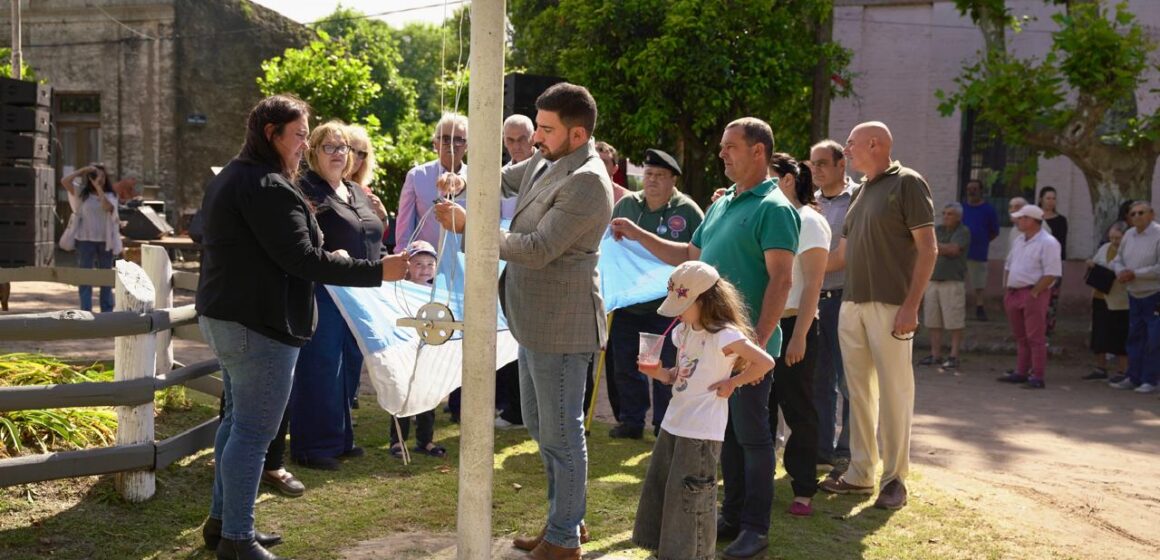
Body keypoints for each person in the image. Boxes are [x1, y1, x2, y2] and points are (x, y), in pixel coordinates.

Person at [195, 94, 408, 560]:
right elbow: (299, 259)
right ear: (272, 135)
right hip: (258, 324)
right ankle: (237, 538)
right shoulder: (268, 185)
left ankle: (224, 525)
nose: (302, 145)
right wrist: (377, 270)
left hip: (231, 317)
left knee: (237, 424)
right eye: (297, 136)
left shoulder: (235, 176)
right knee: (252, 431)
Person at [434, 82, 612, 559]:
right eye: (537, 128)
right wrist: (464, 180)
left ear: (578, 134)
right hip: (534, 320)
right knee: (543, 427)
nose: (536, 138)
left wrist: (470, 225)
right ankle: (565, 522)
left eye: (547, 130)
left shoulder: (589, 181)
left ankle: (564, 539)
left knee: (561, 432)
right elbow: (507, 179)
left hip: (563, 325)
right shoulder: (550, 157)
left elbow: (538, 250)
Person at [611, 117, 797, 560]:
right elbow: (689, 256)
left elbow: (782, 280)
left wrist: (754, 343)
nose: (722, 153)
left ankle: (755, 527)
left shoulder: (775, 207)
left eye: (731, 146)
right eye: (722, 147)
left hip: (742, 349)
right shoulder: (722, 203)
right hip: (712, 345)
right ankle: (731, 516)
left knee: (753, 440)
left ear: (759, 152)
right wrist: (637, 234)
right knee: (725, 439)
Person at [818, 122, 936, 512]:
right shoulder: (863, 190)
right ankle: (860, 471)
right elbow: (840, 258)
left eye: (850, 144)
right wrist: (795, 271)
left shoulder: (908, 183)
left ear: (874, 144)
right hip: (851, 304)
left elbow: (928, 249)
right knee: (857, 393)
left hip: (891, 305)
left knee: (895, 393)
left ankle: (895, 479)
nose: (846, 150)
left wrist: (911, 305)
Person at [632, 261, 775, 560]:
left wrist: (733, 382)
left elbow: (765, 362)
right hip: (674, 424)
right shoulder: (683, 332)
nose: (677, 313)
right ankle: (667, 550)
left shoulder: (724, 336)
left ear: (704, 300)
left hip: (700, 433)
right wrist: (659, 373)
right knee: (666, 492)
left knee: (690, 499)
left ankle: (694, 554)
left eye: (682, 305)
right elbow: (679, 375)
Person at [286, 120, 387, 471]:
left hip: (360, 294)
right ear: (313, 152)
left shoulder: (355, 191)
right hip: (324, 291)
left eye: (343, 148)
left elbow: (373, 232)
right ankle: (311, 447)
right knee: (321, 365)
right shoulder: (305, 189)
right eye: (329, 147)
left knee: (348, 367)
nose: (338, 153)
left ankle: (340, 440)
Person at [606, 148, 703, 440]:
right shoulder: (626, 206)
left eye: (660, 175)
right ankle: (631, 421)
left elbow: (698, 257)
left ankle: (664, 424)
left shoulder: (687, 211)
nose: (652, 181)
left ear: (673, 180)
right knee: (625, 365)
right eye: (648, 174)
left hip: (670, 306)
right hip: (628, 302)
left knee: (667, 367)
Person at [767, 153, 829, 517]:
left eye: (770, 177)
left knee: (798, 407)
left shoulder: (809, 220)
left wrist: (800, 335)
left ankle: (803, 487)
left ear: (788, 179)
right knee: (762, 405)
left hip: (795, 324)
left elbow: (813, 285)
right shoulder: (773, 216)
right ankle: (756, 478)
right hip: (767, 322)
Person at [807, 139, 856, 480]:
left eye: (823, 163)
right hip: (814, 300)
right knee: (817, 380)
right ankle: (822, 449)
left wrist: (801, 267)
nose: (817, 170)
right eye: (813, 164)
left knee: (849, 380)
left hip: (844, 299)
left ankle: (848, 451)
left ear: (842, 164)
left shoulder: (858, 200)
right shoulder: (810, 203)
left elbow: (842, 258)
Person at [388, 240, 448, 458]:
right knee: (401, 394)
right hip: (405, 350)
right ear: (407, 266)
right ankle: (398, 441)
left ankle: (425, 440)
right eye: (418, 264)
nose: (424, 269)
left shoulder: (437, 293)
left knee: (427, 395)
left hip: (429, 351)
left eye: (429, 264)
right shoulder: (399, 290)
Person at [996, 204, 1061, 389]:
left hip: (1034, 292)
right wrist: (1008, 289)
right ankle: (1021, 371)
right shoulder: (1019, 240)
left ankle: (1038, 375)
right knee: (1021, 336)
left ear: (1033, 220)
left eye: (1023, 218)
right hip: (1015, 292)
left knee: (1035, 336)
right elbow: (1009, 264)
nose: (1018, 221)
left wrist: (1035, 292)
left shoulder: (1048, 242)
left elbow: (1052, 273)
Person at [396, 113, 468, 250]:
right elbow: (404, 231)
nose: (452, 145)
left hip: (466, 263)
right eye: (446, 139)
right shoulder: (417, 176)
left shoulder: (476, 179)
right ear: (435, 144)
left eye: (459, 140)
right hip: (427, 266)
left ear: (467, 145)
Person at [1110, 201, 1160, 393]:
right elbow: (1118, 259)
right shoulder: (1129, 234)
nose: (1137, 216)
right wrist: (1121, 272)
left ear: (1151, 214)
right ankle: (1133, 376)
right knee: (1134, 336)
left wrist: (1135, 274)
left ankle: (1151, 379)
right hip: (1134, 294)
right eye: (1133, 214)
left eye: (1141, 212)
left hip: (1155, 294)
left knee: (1154, 339)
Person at [60, 163, 122, 312]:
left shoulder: (111, 195)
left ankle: (106, 312)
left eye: (101, 175)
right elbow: (64, 181)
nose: (98, 178)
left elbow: (108, 208)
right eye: (95, 175)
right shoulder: (82, 193)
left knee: (105, 279)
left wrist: (99, 187)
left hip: (105, 242)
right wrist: (83, 170)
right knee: (85, 278)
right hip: (85, 240)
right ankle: (85, 311)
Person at [918, 202, 971, 370]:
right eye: (944, 213)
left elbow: (953, 250)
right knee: (933, 320)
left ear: (959, 217)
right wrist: (937, 248)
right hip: (933, 280)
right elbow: (923, 248)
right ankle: (936, 354)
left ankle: (954, 355)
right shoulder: (938, 230)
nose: (946, 216)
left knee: (954, 321)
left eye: (950, 214)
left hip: (952, 281)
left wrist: (934, 247)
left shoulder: (963, 231)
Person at [1084, 223, 1129, 381]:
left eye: (1118, 237)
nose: (1114, 241)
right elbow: (1096, 262)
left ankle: (1122, 371)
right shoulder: (1105, 248)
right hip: (1100, 295)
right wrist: (1091, 264)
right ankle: (1100, 368)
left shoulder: (1129, 250)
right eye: (1112, 237)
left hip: (1119, 299)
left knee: (1119, 334)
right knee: (1099, 333)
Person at [961, 179, 999, 321]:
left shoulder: (988, 210)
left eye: (975, 189)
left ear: (981, 191)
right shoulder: (962, 208)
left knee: (978, 283)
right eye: (969, 188)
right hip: (961, 252)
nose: (972, 191)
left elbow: (994, 231)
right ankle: (959, 308)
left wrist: (982, 240)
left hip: (978, 252)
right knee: (959, 282)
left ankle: (979, 307)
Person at [344, 123, 389, 223]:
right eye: (351, 150)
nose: (355, 156)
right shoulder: (325, 185)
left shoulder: (365, 191)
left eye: (361, 153)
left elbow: (379, 235)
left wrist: (383, 216)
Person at [1038, 186, 1068, 335]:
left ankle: (1048, 330)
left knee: (1051, 299)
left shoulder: (1061, 220)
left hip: (1054, 265)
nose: (1051, 202)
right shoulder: (1034, 219)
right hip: (1035, 264)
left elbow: (1061, 244)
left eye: (1053, 198)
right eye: (1048, 198)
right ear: (1041, 199)